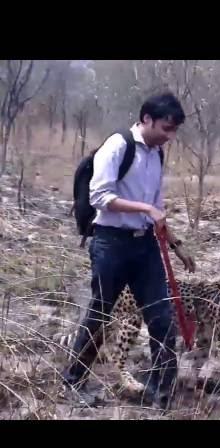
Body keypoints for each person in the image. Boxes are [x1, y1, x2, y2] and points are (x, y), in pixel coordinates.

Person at [61, 91, 196, 410]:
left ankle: (164, 393)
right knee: (100, 312)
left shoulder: (156, 153)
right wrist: (146, 209)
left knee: (161, 317)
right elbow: (100, 197)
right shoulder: (118, 146)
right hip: (111, 243)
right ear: (147, 119)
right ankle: (74, 381)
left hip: (146, 245)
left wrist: (176, 245)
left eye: (174, 130)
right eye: (165, 128)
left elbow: (158, 205)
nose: (169, 136)